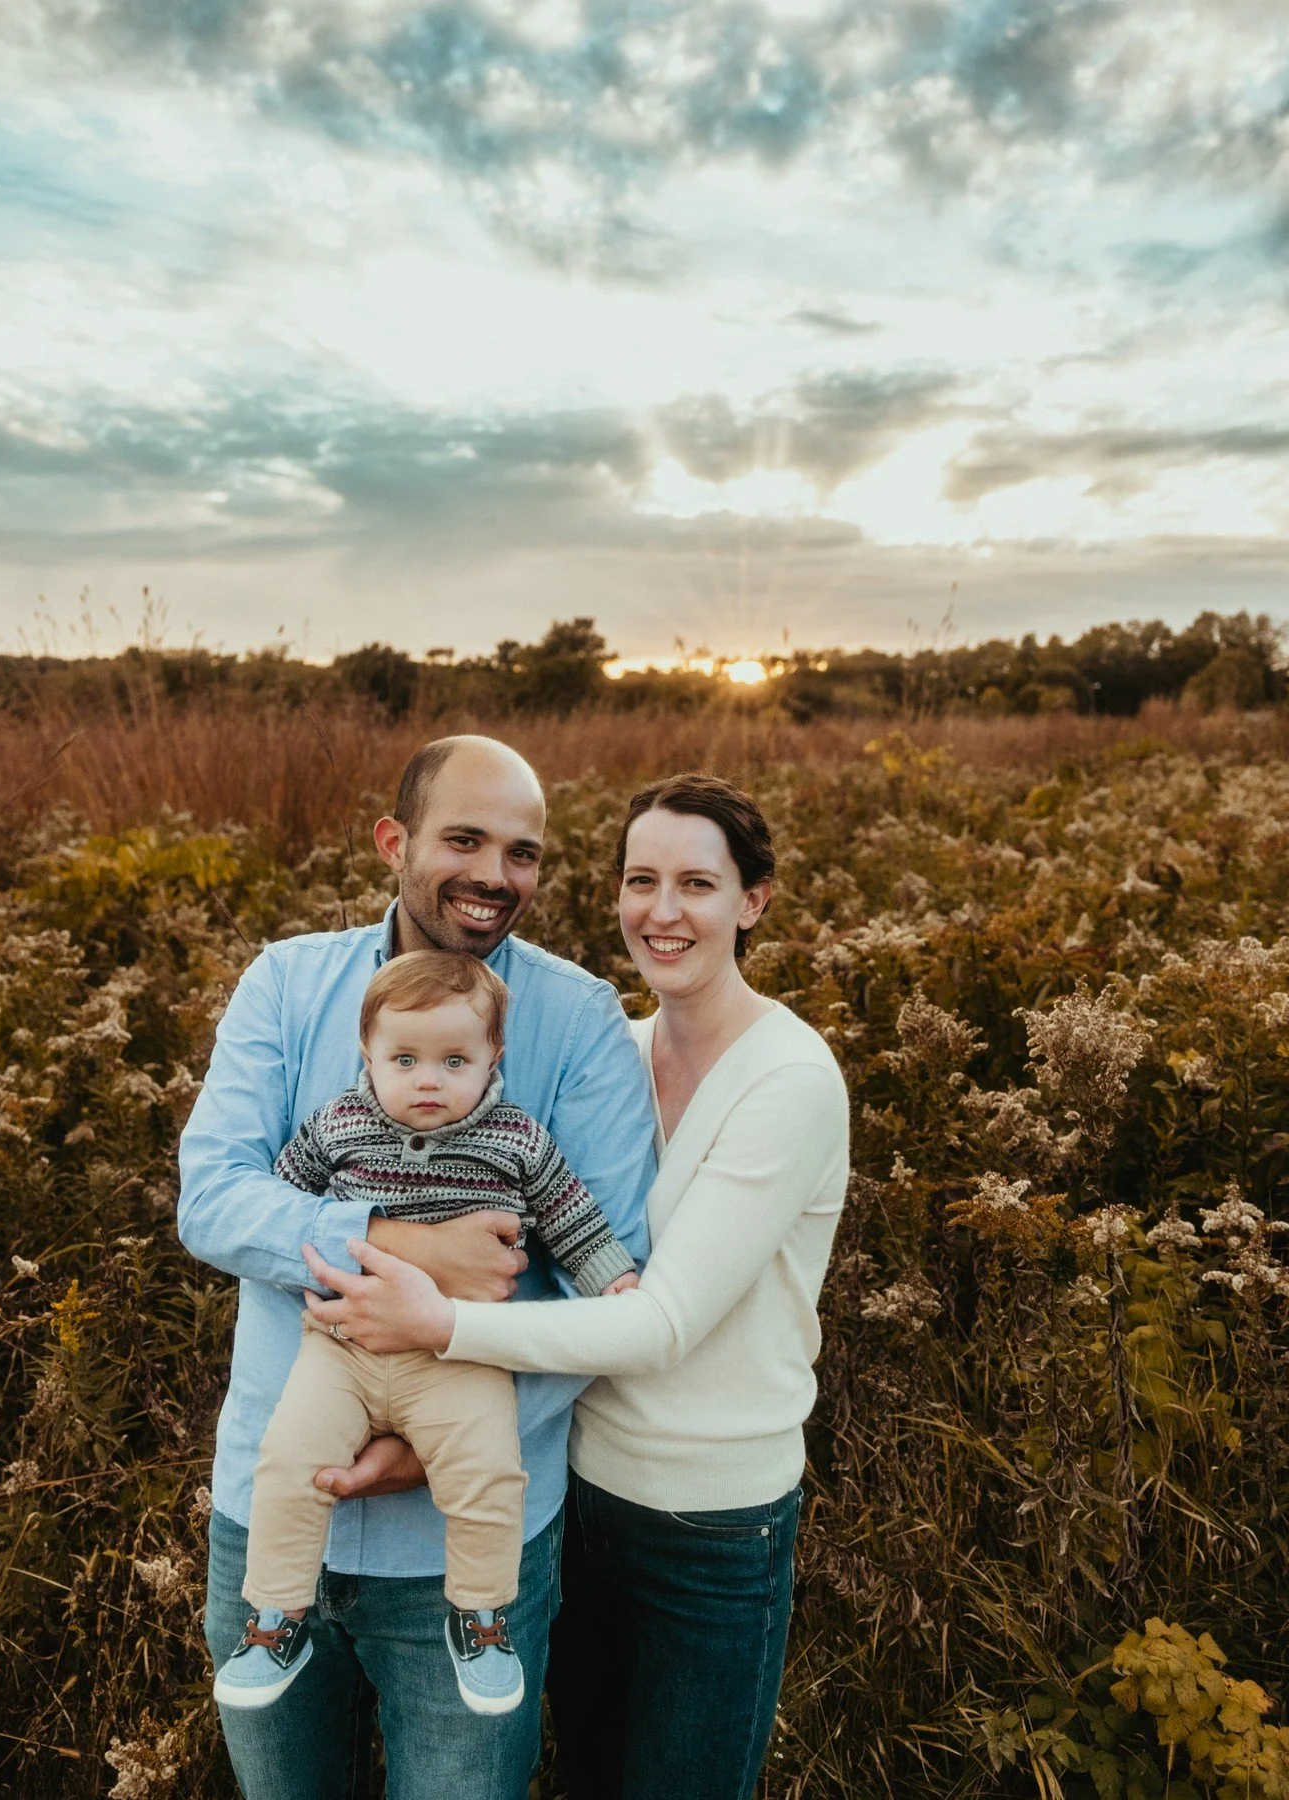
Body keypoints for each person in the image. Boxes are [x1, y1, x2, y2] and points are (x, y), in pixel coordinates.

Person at [303, 771, 852, 1800]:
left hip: (711, 1521)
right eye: (640, 880)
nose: (663, 910)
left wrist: (442, 1321)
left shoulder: (790, 1079)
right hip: (582, 1498)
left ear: (754, 899)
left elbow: (662, 1323)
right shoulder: (621, 1049)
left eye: (698, 882)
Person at [179, 735, 654, 1800]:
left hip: (468, 1532)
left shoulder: (578, 1023)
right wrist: (402, 1247)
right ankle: (274, 1623)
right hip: (274, 1493)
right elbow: (210, 1199)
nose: (495, 875)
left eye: (523, 853)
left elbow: (609, 1269)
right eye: (467, 839)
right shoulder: (289, 983)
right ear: (396, 842)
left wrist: (419, 1440)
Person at [213, 950, 638, 1717]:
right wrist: (357, 1246)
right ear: (368, 1057)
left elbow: (575, 1218)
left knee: (488, 1470)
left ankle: (480, 1617)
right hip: (338, 1349)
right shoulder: (339, 1122)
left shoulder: (517, 1139)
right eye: (403, 1060)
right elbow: (268, 1199)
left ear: (492, 1059)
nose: (428, 1080)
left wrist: (616, 1279)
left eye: (454, 1060)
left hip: (458, 1354)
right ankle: (276, 1618)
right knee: (289, 1460)